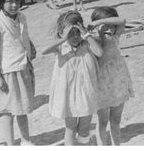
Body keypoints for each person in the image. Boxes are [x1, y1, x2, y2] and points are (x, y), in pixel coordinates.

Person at [0, 0, 36, 146]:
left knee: (22, 108)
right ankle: (10, 144)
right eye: (10, 2)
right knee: (8, 110)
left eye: (17, 1)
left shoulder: (22, 17)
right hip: (8, 71)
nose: (14, 5)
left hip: (23, 67)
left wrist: (30, 47)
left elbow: (23, 36)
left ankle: (25, 140)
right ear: (1, 2)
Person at [42, 11, 103, 145]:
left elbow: (99, 52)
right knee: (70, 129)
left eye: (77, 32)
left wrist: (86, 34)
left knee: (84, 128)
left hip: (86, 95)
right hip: (68, 98)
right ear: (62, 33)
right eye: (71, 33)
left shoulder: (86, 45)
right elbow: (44, 51)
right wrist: (63, 39)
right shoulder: (61, 47)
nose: (75, 37)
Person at [88, 7, 134, 145]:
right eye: (104, 26)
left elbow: (122, 20)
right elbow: (97, 52)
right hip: (102, 84)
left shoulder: (115, 35)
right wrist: (94, 31)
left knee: (116, 120)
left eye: (111, 25)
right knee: (102, 121)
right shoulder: (92, 40)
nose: (108, 28)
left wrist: (100, 22)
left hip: (118, 80)